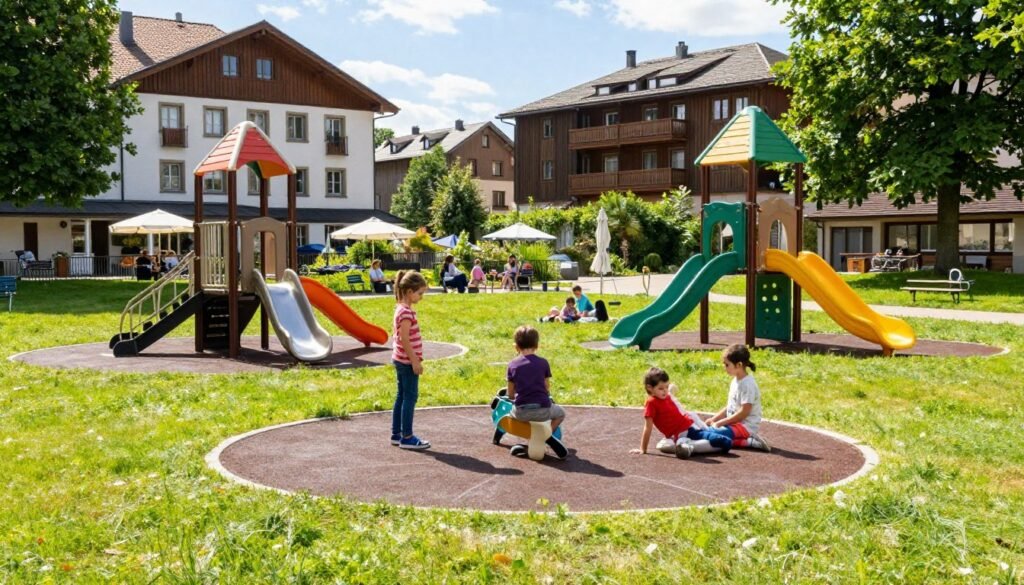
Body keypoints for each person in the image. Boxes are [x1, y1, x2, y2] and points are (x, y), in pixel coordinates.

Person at [629, 367, 732, 459]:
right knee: (718, 439)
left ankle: (733, 440)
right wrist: (643, 449)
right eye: (661, 388)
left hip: (689, 428)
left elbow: (677, 406)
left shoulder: (666, 397)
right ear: (649, 388)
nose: (665, 391)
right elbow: (648, 427)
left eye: (666, 387)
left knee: (719, 438)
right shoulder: (651, 403)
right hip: (682, 432)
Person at [506, 325, 568, 459]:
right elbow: (546, 387)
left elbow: (510, 394)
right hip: (543, 411)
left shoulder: (512, 365)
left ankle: (531, 435)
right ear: (537, 345)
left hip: (522, 412)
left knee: (510, 412)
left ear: (516, 347)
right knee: (561, 413)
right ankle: (546, 435)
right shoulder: (543, 363)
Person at [390, 270, 431, 450]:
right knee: (410, 397)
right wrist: (415, 361)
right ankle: (407, 436)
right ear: (409, 292)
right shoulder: (406, 313)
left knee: (401, 396)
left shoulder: (401, 308)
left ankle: (396, 433)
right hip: (406, 361)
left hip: (400, 359)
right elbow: (404, 339)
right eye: (420, 293)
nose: (421, 297)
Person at [705, 344, 771, 452]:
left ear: (739, 365)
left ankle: (750, 440)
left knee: (712, 434)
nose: (724, 367)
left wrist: (721, 423)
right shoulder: (735, 381)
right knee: (709, 432)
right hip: (734, 425)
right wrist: (714, 419)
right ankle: (748, 442)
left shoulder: (747, 384)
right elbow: (730, 407)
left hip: (745, 426)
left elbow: (744, 413)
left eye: (727, 365)